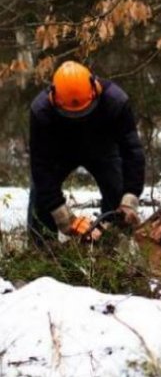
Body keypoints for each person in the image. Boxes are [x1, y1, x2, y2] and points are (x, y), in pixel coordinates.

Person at [28, 60, 146, 245]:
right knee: (40, 200)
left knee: (118, 191)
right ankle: (40, 250)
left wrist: (131, 195)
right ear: (53, 98)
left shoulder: (115, 101)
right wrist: (58, 209)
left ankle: (112, 244)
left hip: (103, 148)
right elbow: (41, 165)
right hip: (60, 153)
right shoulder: (41, 111)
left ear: (94, 90)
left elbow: (132, 152)